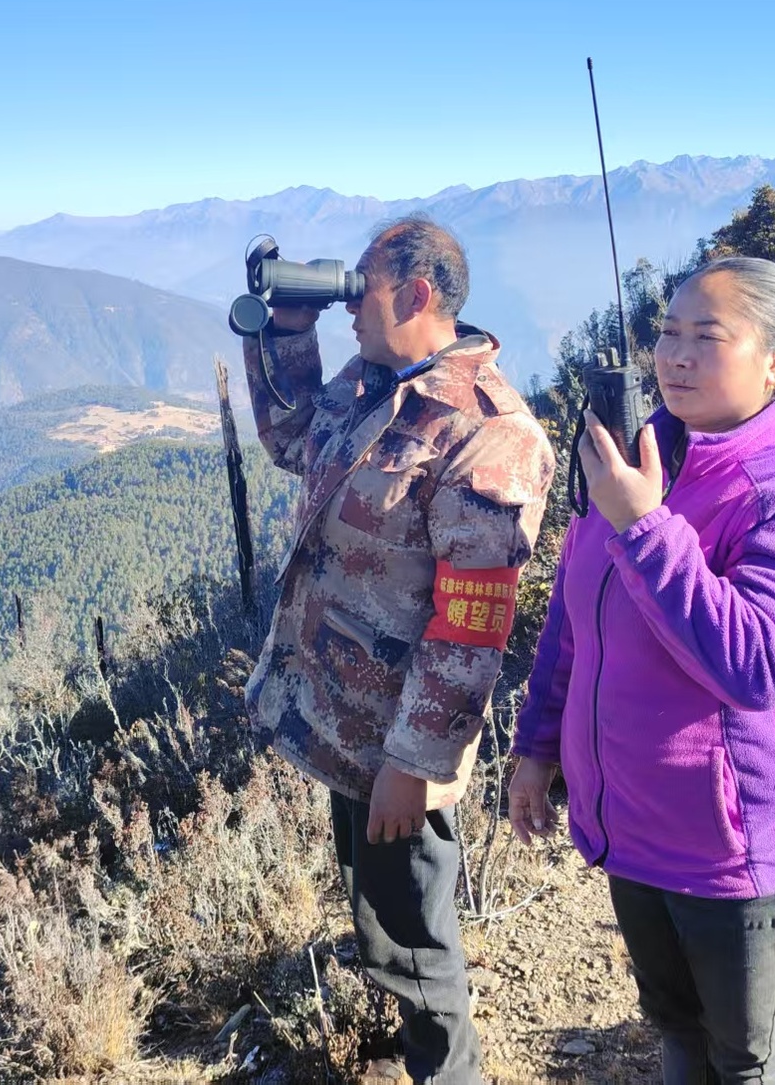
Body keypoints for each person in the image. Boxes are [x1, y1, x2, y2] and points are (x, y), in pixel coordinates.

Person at [507, 256, 775, 1085]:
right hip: (631, 831)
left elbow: (761, 664)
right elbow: (571, 618)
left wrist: (644, 523)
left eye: (707, 337)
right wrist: (537, 748)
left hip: (730, 851)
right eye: (668, 332)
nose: (675, 355)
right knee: (676, 1030)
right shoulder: (640, 457)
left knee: (746, 1061)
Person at [241, 215, 555, 1084]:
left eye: (363, 288)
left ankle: (447, 1072)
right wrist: (288, 330)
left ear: (417, 294)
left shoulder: (489, 434)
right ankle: (417, 1052)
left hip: (403, 742)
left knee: (415, 940)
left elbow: (470, 626)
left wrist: (413, 764)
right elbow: (292, 438)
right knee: (382, 916)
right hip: (347, 723)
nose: (351, 306)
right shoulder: (374, 382)